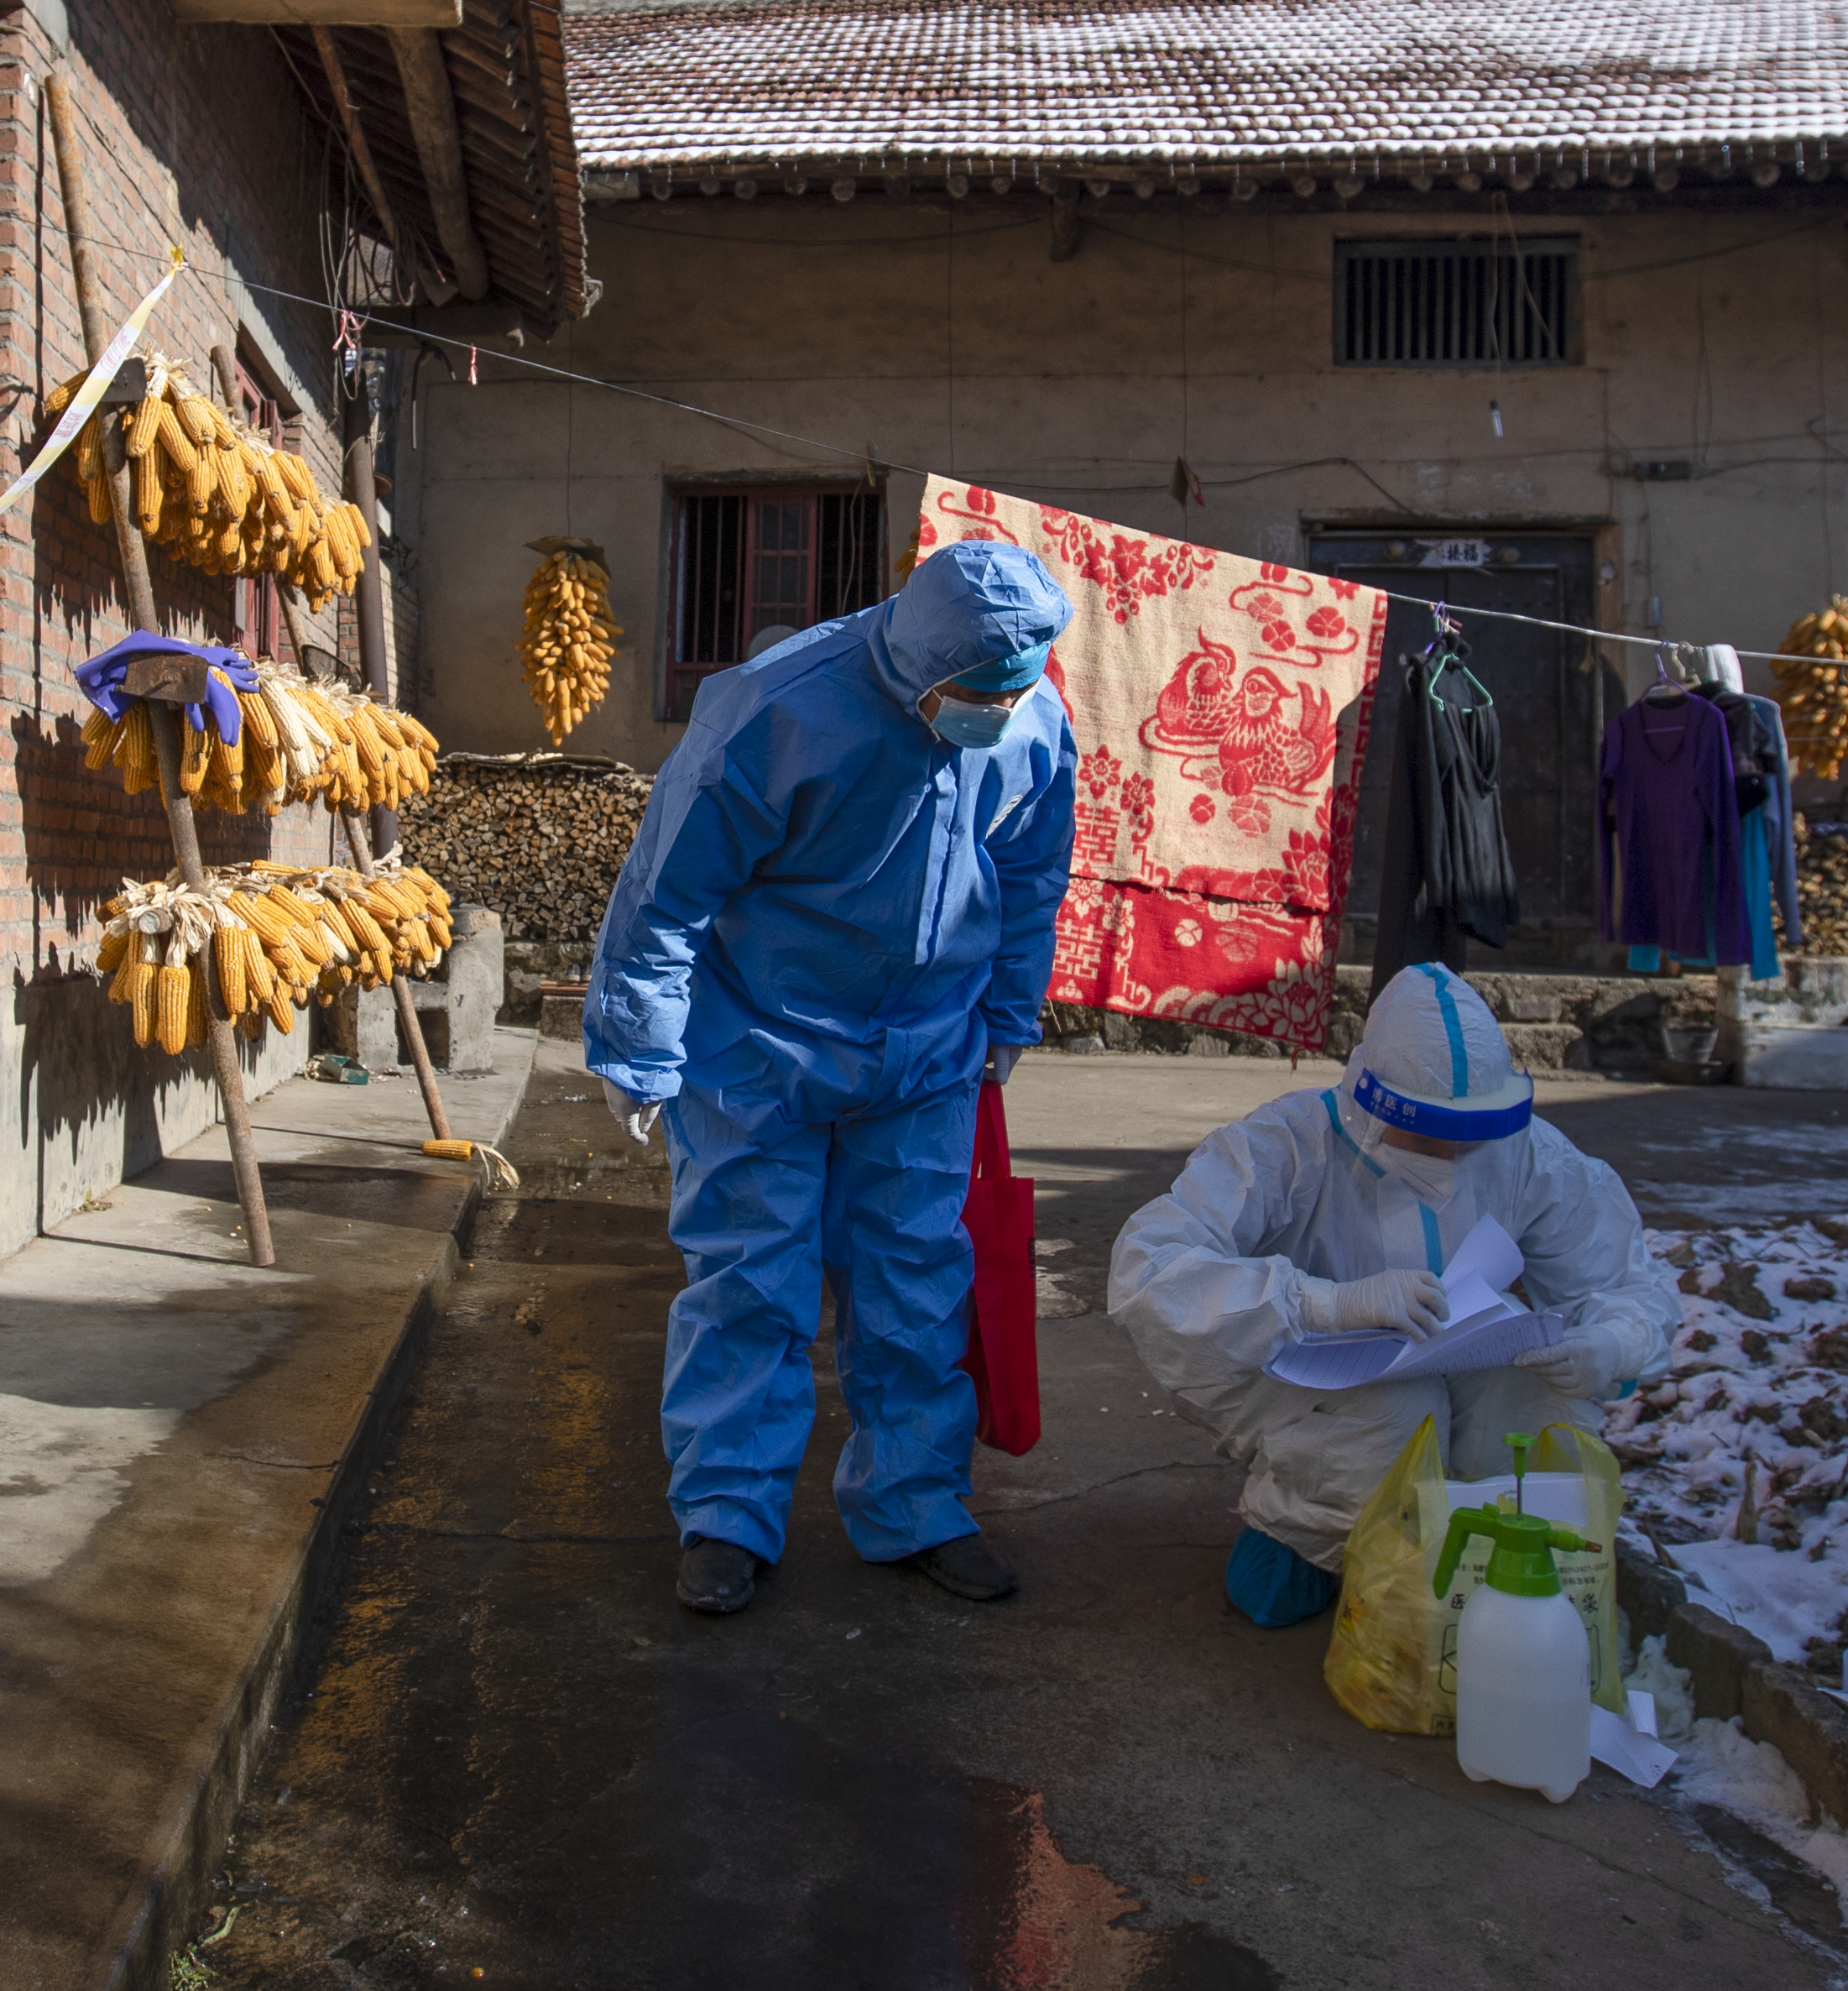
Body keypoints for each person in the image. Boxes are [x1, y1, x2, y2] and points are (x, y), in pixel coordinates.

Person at [587, 537, 1080, 1618]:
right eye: (973, 694)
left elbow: (1034, 869)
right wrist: (638, 1045)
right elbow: (664, 892)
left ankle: (918, 1503)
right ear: (917, 669)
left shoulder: (1031, 718)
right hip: (762, 1042)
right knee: (751, 1282)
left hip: (928, 1044)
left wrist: (1007, 1008)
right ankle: (725, 1517)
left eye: (1014, 689)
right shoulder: (774, 711)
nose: (995, 712)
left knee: (916, 1280)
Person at [1107, 964, 1675, 1628]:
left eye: (1471, 1132)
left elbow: (1625, 1283)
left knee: (1543, 1396)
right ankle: (1325, 1545)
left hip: (1463, 1363)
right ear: (1371, 1103)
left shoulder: (1528, 1155)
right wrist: (1323, 1304)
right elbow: (1149, 1267)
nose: (1453, 1151)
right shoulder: (1289, 1144)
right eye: (1432, 1130)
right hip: (1314, 1376)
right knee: (1396, 1410)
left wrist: (1607, 1345)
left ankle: (1504, 1557)